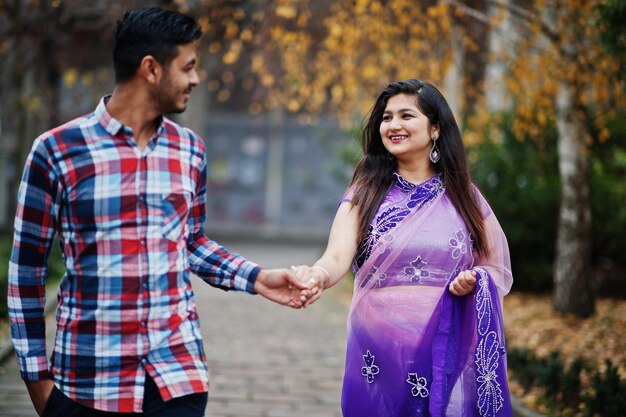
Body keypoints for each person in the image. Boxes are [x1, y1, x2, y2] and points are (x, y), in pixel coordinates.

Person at [7, 7, 313, 417]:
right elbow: (26, 271)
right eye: (188, 67)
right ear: (150, 69)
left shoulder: (189, 150)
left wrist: (257, 278)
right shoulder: (56, 151)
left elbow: (191, 242)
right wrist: (37, 382)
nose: (195, 79)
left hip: (176, 375)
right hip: (90, 381)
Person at [294, 79, 514, 416]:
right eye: (386, 117)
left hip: (446, 339)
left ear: (435, 128)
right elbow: (337, 255)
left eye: (406, 116)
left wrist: (474, 280)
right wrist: (317, 275)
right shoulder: (366, 193)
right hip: (378, 347)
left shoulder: (464, 196)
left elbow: (494, 266)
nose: (393, 125)